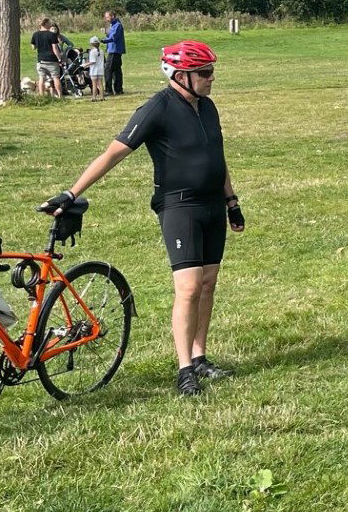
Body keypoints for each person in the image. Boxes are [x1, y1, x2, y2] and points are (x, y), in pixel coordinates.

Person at [43, 41, 244, 398]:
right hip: (179, 206)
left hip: (213, 205)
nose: (211, 78)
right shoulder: (157, 108)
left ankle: (200, 357)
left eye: (211, 71)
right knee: (189, 287)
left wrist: (232, 201)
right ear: (179, 76)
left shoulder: (207, 107)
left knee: (208, 283)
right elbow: (113, 153)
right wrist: (71, 193)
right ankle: (185, 369)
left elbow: (218, 155)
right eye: (204, 72)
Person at [30, 17, 64, 97]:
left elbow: (33, 47)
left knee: (41, 78)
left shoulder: (35, 34)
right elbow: (55, 48)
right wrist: (59, 59)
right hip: (52, 60)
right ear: (45, 24)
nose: (50, 24)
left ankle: (41, 95)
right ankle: (60, 95)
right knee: (56, 77)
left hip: (41, 60)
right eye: (49, 23)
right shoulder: (52, 35)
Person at [102, 9, 126, 96]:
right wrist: (106, 33)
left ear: (112, 16)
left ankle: (108, 90)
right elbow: (111, 35)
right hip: (114, 50)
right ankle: (118, 89)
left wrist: (103, 40)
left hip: (115, 51)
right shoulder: (112, 25)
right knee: (116, 70)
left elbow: (114, 37)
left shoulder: (117, 25)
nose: (106, 19)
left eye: (107, 17)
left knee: (108, 69)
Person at [86, 36, 105, 100]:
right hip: (100, 69)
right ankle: (102, 97)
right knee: (100, 84)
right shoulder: (101, 51)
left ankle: (94, 97)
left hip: (94, 70)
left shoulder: (92, 52)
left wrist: (85, 65)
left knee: (94, 84)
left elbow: (93, 61)